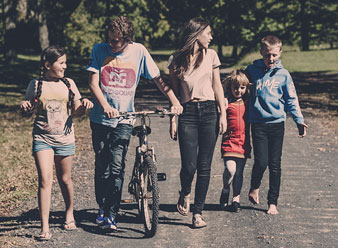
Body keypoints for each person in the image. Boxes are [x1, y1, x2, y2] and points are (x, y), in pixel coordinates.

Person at [86, 16, 182, 232]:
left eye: (117, 41)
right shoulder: (99, 50)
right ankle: (102, 207)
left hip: (124, 119)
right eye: (110, 39)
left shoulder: (138, 51)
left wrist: (174, 101)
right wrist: (105, 107)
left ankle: (112, 213)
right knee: (103, 168)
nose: (112, 44)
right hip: (101, 119)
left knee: (117, 167)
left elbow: (158, 79)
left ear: (128, 39)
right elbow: (93, 83)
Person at [21, 45, 93, 240]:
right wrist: (25, 106)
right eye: (61, 63)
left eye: (65, 62)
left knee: (65, 179)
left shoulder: (69, 83)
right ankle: (44, 227)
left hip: (64, 138)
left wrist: (84, 106)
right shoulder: (35, 85)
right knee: (45, 180)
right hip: (42, 137)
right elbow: (26, 111)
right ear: (47, 64)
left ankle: (69, 212)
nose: (65, 66)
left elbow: (76, 111)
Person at [168, 17, 227, 228]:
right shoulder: (175, 59)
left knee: (204, 166)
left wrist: (223, 114)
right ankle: (185, 191)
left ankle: (198, 213)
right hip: (187, 113)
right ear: (197, 33)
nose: (211, 37)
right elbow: (174, 93)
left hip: (210, 111)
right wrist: (173, 120)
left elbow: (217, 86)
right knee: (189, 165)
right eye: (208, 33)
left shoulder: (211, 55)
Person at [246, 35, 308, 215]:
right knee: (261, 161)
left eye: (274, 55)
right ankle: (254, 186)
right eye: (267, 55)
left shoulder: (284, 75)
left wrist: (299, 120)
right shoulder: (252, 71)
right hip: (258, 123)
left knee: (275, 164)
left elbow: (291, 99)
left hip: (277, 123)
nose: (270, 59)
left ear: (280, 53)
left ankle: (272, 202)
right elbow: (238, 87)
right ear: (261, 53)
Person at [219, 70, 252, 213]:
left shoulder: (248, 102)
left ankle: (236, 199)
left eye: (242, 88)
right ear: (230, 87)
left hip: (243, 142)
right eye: (235, 87)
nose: (238, 90)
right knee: (230, 169)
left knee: (239, 173)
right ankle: (226, 189)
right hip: (229, 141)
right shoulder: (227, 102)